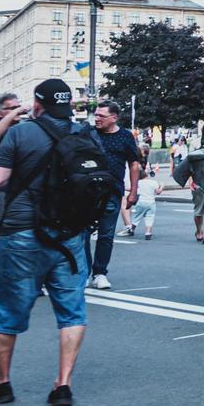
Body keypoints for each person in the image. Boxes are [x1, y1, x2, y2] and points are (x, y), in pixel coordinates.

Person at [0, 80, 93, 406]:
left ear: (37, 104)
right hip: (70, 236)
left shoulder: (20, 133)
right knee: (72, 311)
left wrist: (9, 120)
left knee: (7, 311)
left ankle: (2, 384)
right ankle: (63, 384)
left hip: (21, 233)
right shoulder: (84, 134)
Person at [87, 99, 140, 290]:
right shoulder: (89, 133)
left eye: (102, 115)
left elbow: (134, 164)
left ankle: (99, 273)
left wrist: (133, 192)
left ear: (114, 118)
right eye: (96, 114)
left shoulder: (125, 136)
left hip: (112, 192)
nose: (97, 118)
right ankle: (84, 271)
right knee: (82, 233)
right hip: (87, 191)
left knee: (106, 234)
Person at [175, 156, 204, 244]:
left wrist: (191, 181)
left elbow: (190, 165)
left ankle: (199, 233)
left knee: (198, 209)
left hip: (198, 182)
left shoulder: (196, 147)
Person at [131, 166, 159, 239]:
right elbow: (158, 192)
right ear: (147, 175)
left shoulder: (138, 182)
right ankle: (148, 232)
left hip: (141, 202)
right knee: (150, 217)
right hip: (151, 202)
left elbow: (133, 189)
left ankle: (132, 229)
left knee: (137, 216)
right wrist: (162, 186)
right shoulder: (153, 182)